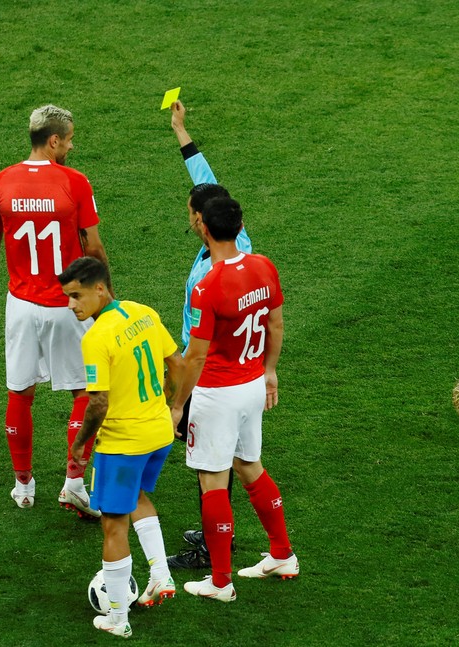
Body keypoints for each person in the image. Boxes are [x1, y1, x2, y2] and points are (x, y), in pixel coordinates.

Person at [0, 104, 110, 518]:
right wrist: (106, 298)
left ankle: (23, 485)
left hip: (21, 306)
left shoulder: (0, 182)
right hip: (67, 305)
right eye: (69, 139)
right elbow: (93, 247)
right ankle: (73, 482)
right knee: (84, 393)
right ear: (54, 141)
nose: (72, 145)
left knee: (20, 392)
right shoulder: (74, 182)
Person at [168, 196, 298, 603]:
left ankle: (220, 582)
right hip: (252, 385)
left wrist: (175, 404)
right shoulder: (264, 266)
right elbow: (275, 324)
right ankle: (282, 554)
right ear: (239, 224)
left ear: (204, 227)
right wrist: (270, 372)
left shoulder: (209, 286)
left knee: (212, 480)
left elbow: (196, 355)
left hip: (217, 393)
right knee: (249, 467)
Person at [59, 256, 183, 638]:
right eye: (67, 297)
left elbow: (97, 402)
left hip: (123, 442)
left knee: (113, 524)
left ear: (101, 288)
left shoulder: (96, 338)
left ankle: (117, 617)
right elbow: (176, 363)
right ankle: (161, 576)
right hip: (158, 432)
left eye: (77, 296)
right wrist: (167, 403)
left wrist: (80, 445)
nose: (72, 305)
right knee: (139, 496)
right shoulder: (142, 312)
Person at [165, 100, 253, 570]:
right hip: (236, 368)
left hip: (210, 370)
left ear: (203, 221)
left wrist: (182, 392)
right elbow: (206, 184)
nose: (190, 216)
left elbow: (203, 340)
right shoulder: (236, 238)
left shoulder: (214, 276)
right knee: (220, 460)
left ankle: (213, 548)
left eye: (191, 213)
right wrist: (182, 132)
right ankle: (218, 531)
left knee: (208, 461)